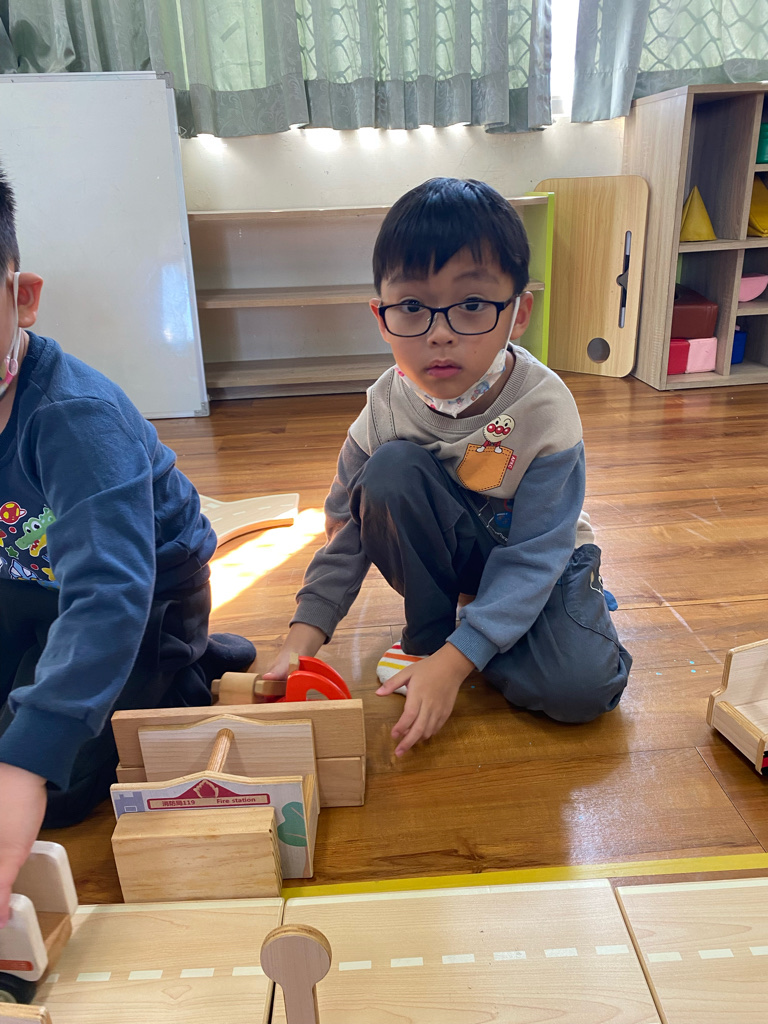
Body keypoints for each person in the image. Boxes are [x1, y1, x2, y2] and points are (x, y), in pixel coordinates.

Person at [265, 176, 631, 758]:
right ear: (381, 316)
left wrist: (459, 662)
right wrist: (299, 642)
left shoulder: (545, 409)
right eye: (412, 307)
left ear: (518, 312)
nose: (439, 333)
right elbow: (346, 534)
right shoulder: (383, 409)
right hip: (463, 561)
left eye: (472, 305)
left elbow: (537, 552)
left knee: (581, 690)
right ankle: (438, 638)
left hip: (542, 557)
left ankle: (500, 631)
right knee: (390, 471)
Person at [0, 169, 255, 926]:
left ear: (22, 299)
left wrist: (24, 766)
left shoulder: (71, 418)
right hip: (27, 578)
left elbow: (109, 592)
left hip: (144, 589)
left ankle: (185, 661)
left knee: (58, 784)